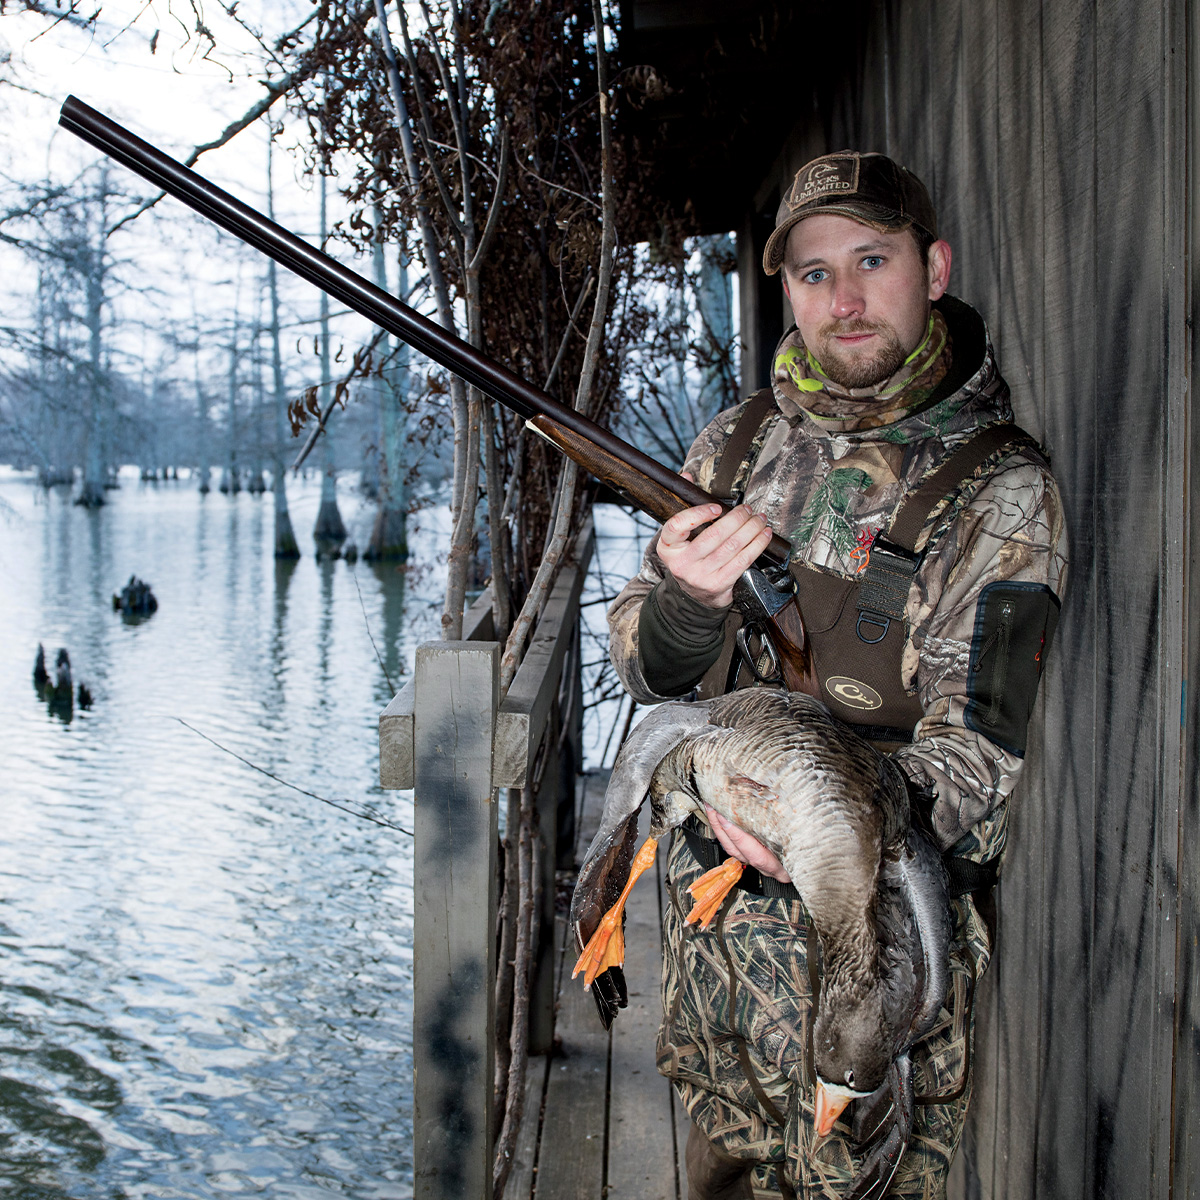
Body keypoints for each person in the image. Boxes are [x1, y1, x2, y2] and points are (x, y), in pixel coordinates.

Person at [607, 151, 1068, 1198]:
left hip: (874, 954)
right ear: (787, 291)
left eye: (872, 260)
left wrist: (806, 820)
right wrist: (686, 605)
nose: (844, 299)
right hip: (712, 931)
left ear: (934, 268)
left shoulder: (1003, 492)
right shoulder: (734, 447)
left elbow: (979, 753)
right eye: (815, 273)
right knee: (716, 1149)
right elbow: (649, 672)